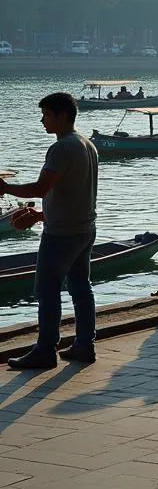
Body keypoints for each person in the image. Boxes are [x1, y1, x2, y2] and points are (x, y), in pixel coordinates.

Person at [1, 92, 99, 370]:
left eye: (46, 114)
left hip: (62, 235)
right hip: (84, 228)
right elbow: (76, 194)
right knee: (81, 289)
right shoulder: (87, 144)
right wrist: (40, 215)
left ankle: (45, 349)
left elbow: (40, 188)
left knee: (47, 289)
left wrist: (5, 188)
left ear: (62, 115)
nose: (42, 120)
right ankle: (84, 345)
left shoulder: (62, 148)